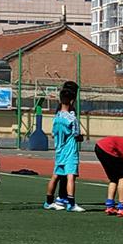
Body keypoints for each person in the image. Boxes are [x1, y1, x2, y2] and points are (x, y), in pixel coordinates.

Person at [45, 83, 84, 211]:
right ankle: (71, 203)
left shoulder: (56, 117)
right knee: (71, 176)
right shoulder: (72, 119)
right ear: (72, 100)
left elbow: (53, 133)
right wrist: (80, 137)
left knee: (55, 176)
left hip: (59, 150)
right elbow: (77, 135)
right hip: (70, 150)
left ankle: (48, 202)